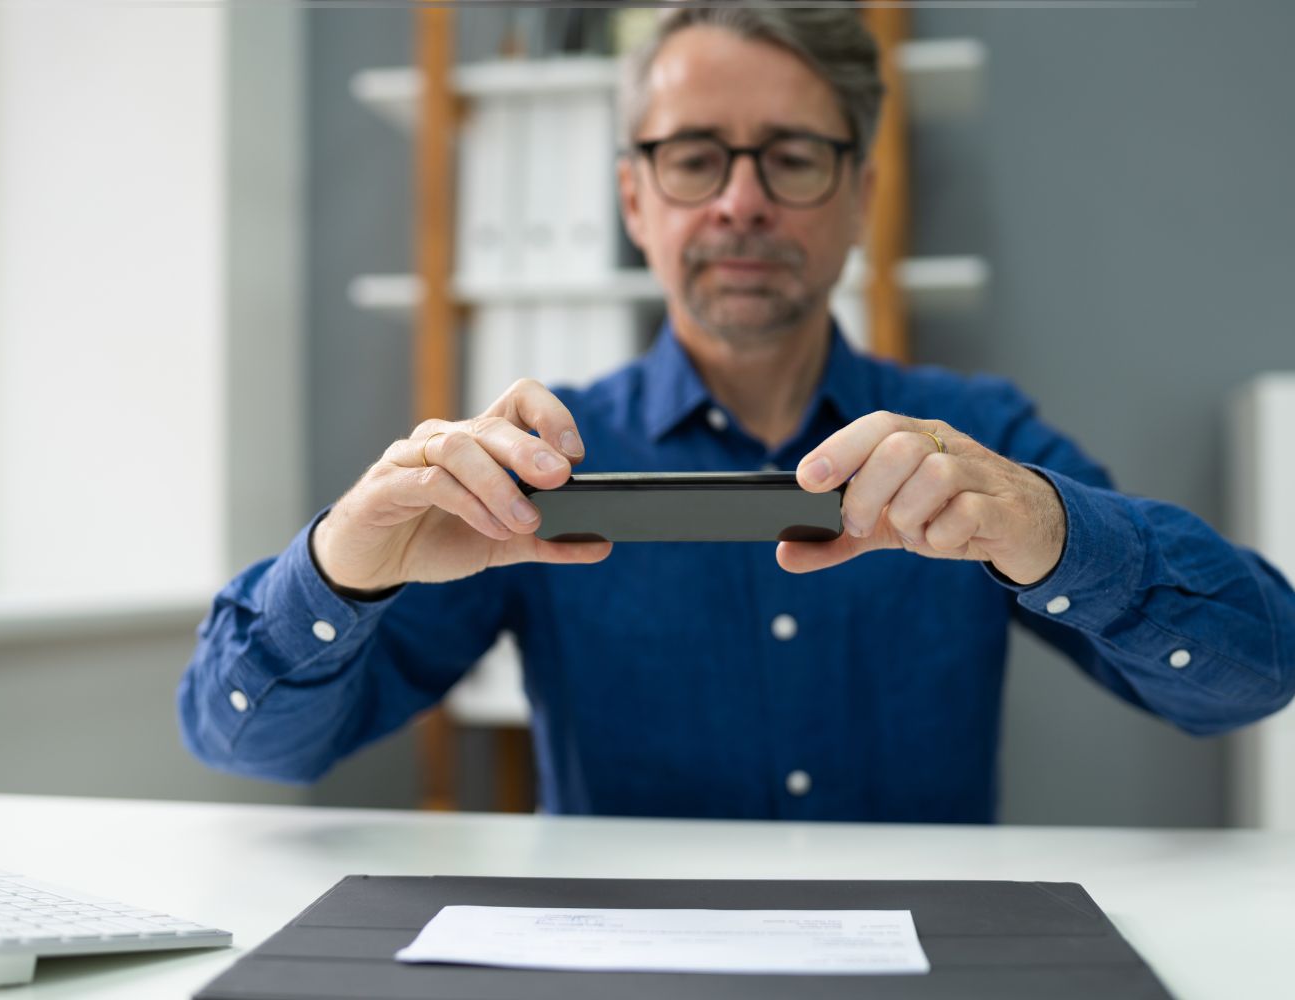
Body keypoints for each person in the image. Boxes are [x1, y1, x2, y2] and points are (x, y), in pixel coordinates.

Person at [178, 7, 1295, 822]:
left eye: (794, 157)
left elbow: (1257, 672)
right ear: (633, 199)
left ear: (861, 196)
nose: (741, 199)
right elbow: (248, 746)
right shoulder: (531, 471)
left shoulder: (973, 441)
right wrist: (344, 568)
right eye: (694, 156)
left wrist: (1051, 530)